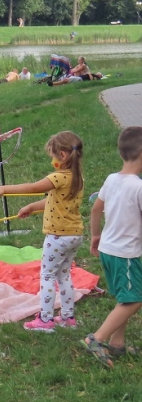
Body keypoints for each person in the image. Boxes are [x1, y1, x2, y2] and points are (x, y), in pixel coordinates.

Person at [0, 132, 85, 332]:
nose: (52, 161)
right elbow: (54, 201)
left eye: (52, 156)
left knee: (47, 276)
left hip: (57, 237)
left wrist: (3, 189)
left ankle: (45, 319)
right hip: (74, 235)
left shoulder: (58, 177)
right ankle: (67, 318)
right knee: (64, 275)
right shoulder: (77, 178)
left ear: (62, 155)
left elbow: (33, 187)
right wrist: (32, 207)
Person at [82, 127, 142, 367]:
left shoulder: (111, 179)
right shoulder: (138, 187)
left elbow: (96, 208)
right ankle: (96, 339)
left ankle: (117, 344)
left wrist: (95, 235)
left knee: (125, 298)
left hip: (108, 249)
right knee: (135, 299)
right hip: (125, 254)